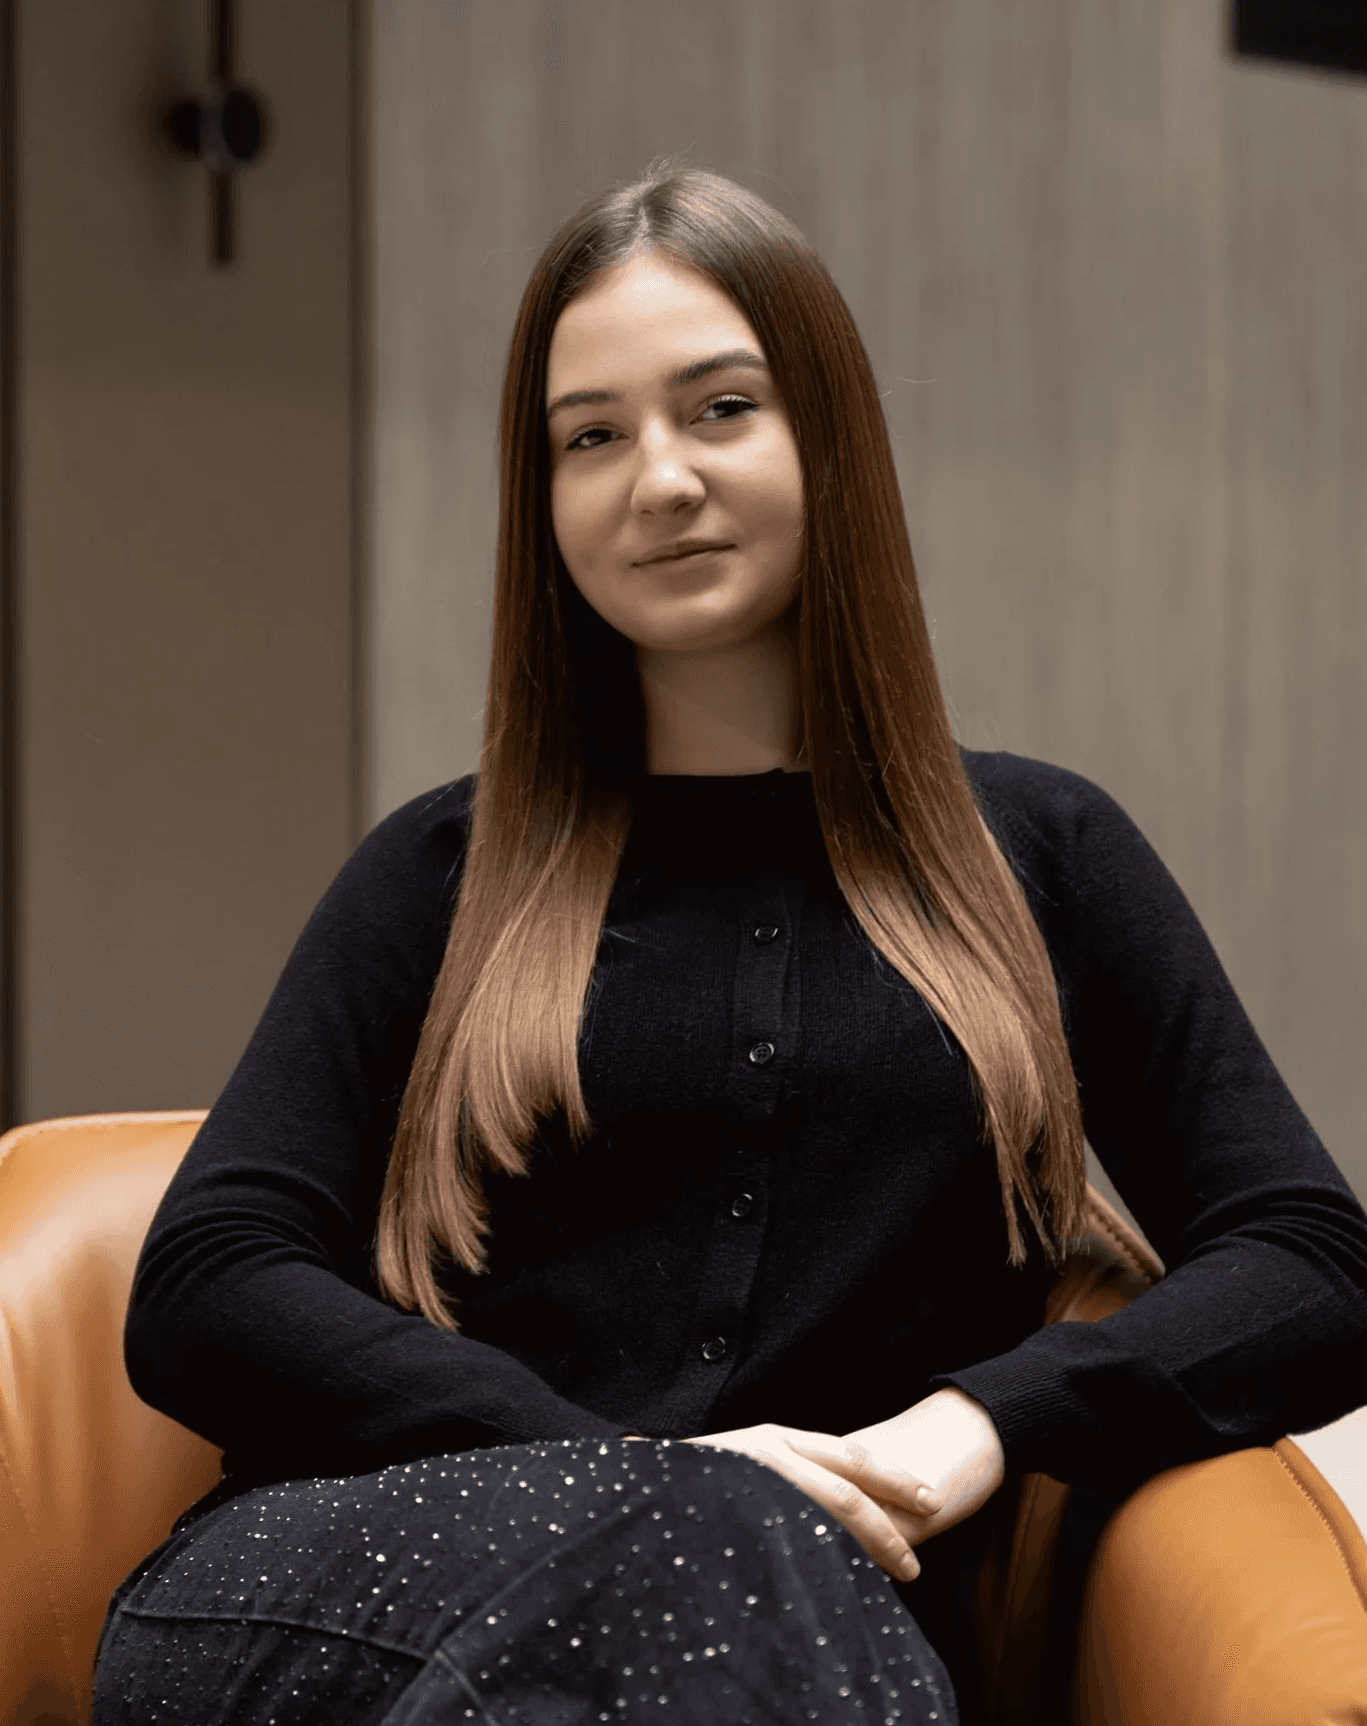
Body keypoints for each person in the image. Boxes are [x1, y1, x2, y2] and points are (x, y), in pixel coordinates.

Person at [91, 162, 1367, 1726]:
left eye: (719, 409)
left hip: (792, 1629)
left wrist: (970, 1426)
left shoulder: (1041, 856)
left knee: (738, 1589)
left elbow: (1311, 1256)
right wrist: (637, 1467)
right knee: (715, 1544)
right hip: (341, 1579)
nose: (659, 479)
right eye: (591, 437)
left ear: (827, 434)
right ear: (545, 501)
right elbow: (209, 1282)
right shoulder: (441, 871)